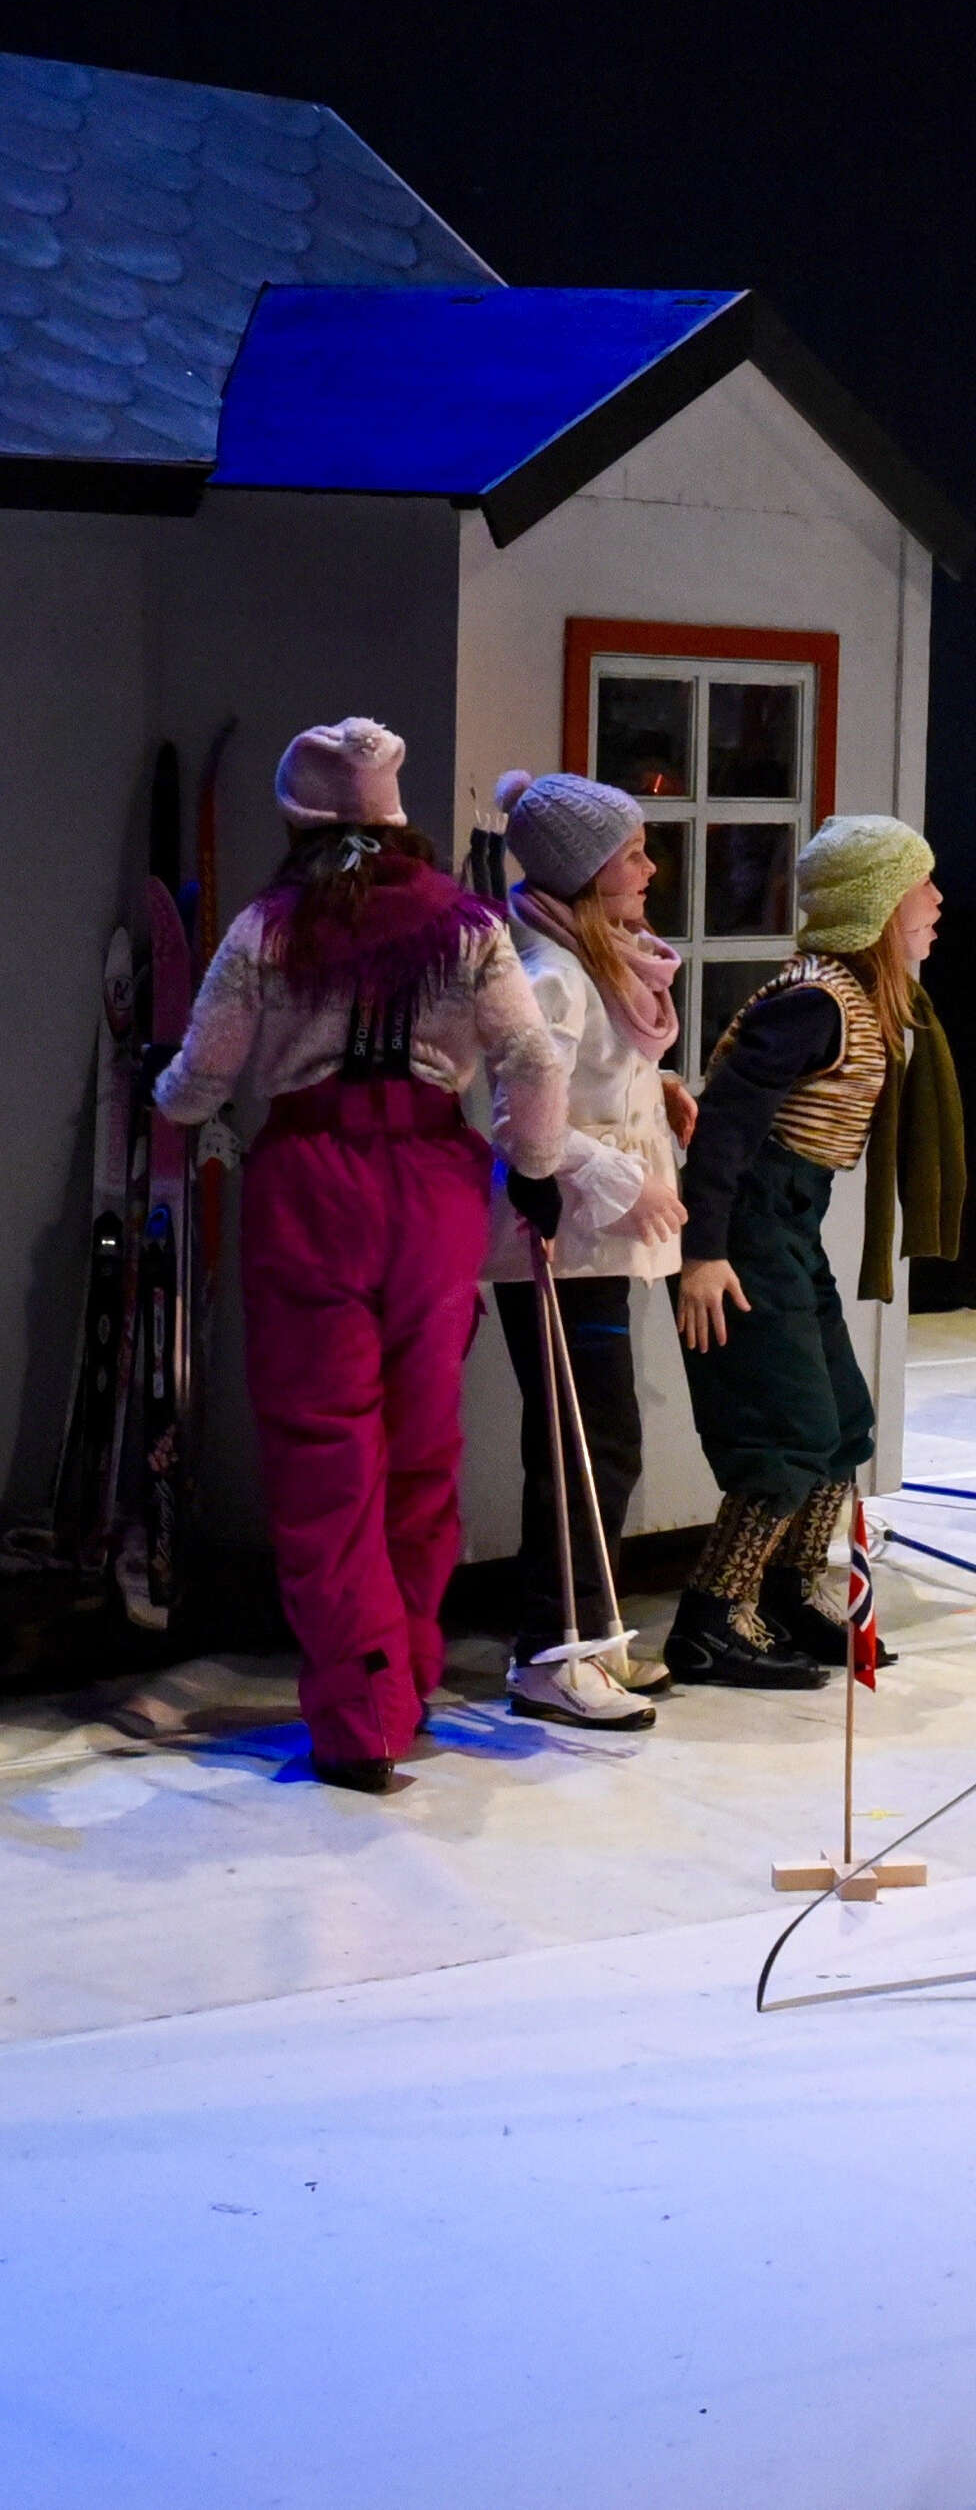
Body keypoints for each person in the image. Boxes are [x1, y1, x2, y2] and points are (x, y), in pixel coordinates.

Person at [150, 718, 568, 1792]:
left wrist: (170, 1094)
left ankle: (358, 1711)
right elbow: (530, 1059)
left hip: (309, 1189)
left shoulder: (266, 927)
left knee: (324, 1452)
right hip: (433, 1190)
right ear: (395, 813)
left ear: (298, 818)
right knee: (423, 1447)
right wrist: (534, 1166)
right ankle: (408, 1679)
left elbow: (201, 1079)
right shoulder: (467, 923)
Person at [671, 815, 948, 1687]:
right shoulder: (815, 1003)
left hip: (791, 1223)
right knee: (785, 1429)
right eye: (922, 887)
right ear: (880, 905)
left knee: (843, 1423)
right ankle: (711, 1620)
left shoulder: (860, 1001)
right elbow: (725, 1125)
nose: (938, 901)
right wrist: (703, 1252)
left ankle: (788, 1591)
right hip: (749, 1227)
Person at [480, 770, 695, 1728]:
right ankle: (549, 1652)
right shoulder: (552, 974)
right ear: (582, 871)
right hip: (561, 1244)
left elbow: (593, 1081)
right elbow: (523, 1119)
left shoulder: (591, 959)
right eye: (631, 855)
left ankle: (593, 1633)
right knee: (580, 1445)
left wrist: (660, 1093)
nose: (649, 869)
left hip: (597, 1251)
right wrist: (624, 1178)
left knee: (604, 1440)